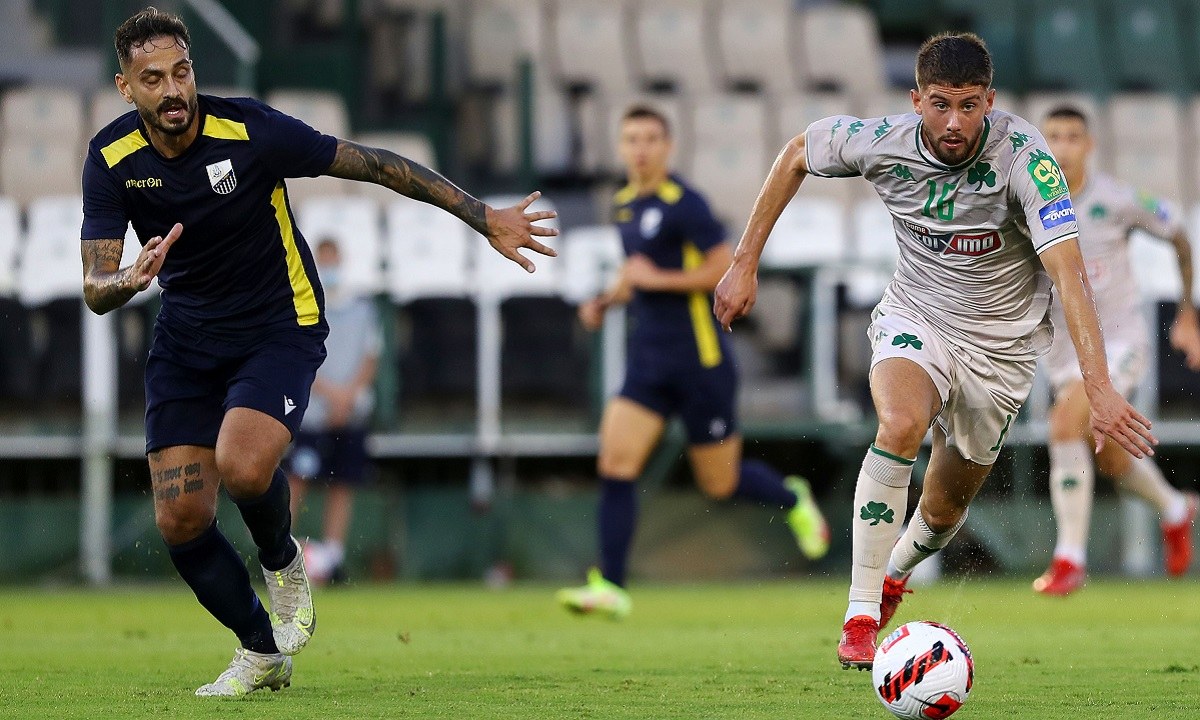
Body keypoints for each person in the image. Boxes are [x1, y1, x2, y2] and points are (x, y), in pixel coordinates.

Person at [81, 7, 555, 697]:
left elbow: (376, 165)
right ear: (126, 87)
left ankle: (281, 558)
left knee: (244, 466)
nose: (173, 89)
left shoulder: (250, 130)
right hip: (185, 339)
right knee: (179, 520)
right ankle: (260, 651)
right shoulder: (111, 158)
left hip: (279, 324)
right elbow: (95, 287)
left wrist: (482, 216)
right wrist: (127, 279)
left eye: (182, 71)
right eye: (153, 79)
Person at [713, 32, 1157, 670]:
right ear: (916, 100)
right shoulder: (881, 141)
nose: (954, 122)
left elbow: (1069, 273)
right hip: (917, 316)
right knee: (899, 423)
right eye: (941, 104)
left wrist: (1100, 386)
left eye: (969, 105)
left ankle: (895, 572)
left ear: (989, 102)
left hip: (1001, 351)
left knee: (945, 508)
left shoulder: (1027, 158)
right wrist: (744, 261)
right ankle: (860, 614)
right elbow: (797, 153)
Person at [555, 106, 831, 620]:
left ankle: (792, 498)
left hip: (700, 362)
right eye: (631, 139)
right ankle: (610, 585)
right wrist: (606, 302)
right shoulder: (623, 205)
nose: (640, 149)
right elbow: (635, 273)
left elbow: (723, 268)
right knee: (615, 463)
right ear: (620, 147)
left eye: (650, 139)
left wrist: (654, 280)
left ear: (668, 147)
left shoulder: (685, 204)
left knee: (719, 484)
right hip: (648, 362)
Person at [1033, 106, 1200, 595]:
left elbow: (1178, 232)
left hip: (1119, 340)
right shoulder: (1028, 203)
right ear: (1042, 147)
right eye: (1054, 137)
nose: (1063, 147)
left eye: (1073, 137)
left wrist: (1187, 313)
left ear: (1089, 145)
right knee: (1106, 454)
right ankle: (1175, 508)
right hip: (1064, 350)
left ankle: (1069, 558)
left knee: (1065, 422)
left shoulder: (1117, 199)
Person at [285, 238, 381, 585]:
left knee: (342, 483)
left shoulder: (362, 308)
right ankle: (280, 552)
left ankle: (333, 557)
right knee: (298, 478)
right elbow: (298, 358)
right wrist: (331, 395)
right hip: (313, 414)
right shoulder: (303, 305)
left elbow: (371, 357)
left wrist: (347, 398)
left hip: (350, 412)